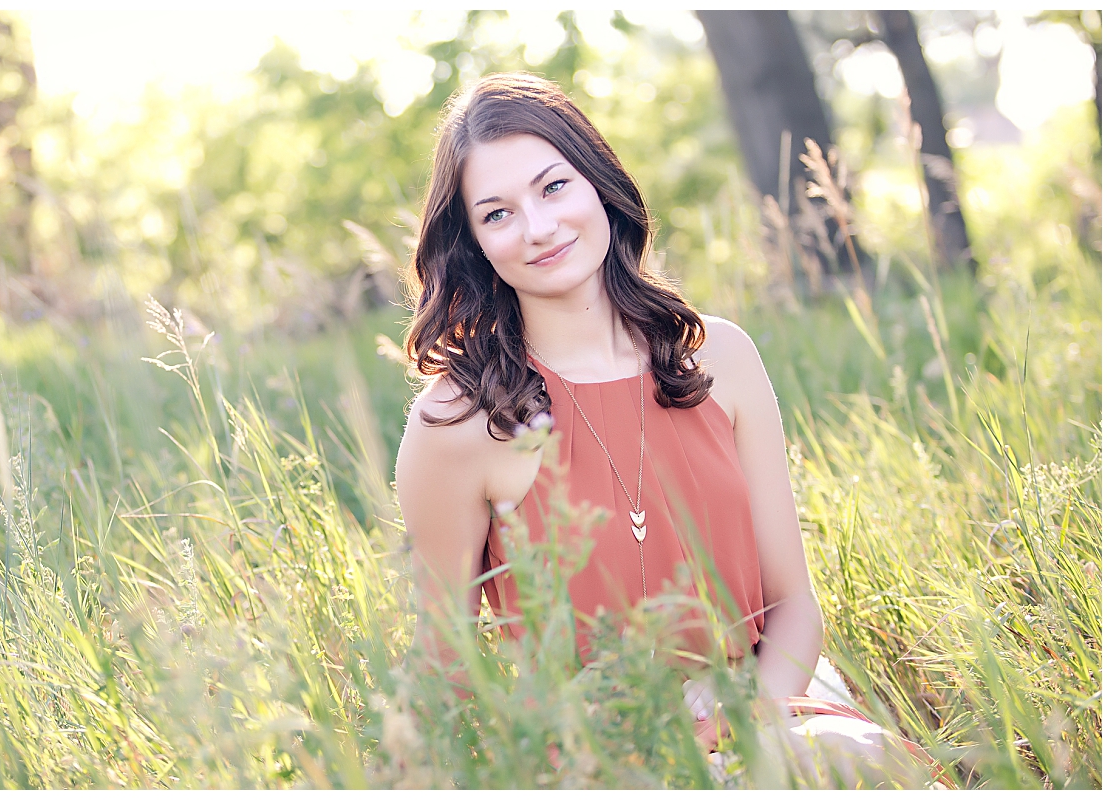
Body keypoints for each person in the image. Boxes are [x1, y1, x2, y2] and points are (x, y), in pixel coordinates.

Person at [394, 71, 948, 787]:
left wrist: (743, 724)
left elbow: (791, 606)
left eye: (553, 187)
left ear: (598, 186)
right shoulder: (457, 422)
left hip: (767, 701)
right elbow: (447, 665)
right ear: (472, 242)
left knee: (853, 764)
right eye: (497, 213)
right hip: (596, 752)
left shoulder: (722, 358)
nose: (537, 228)